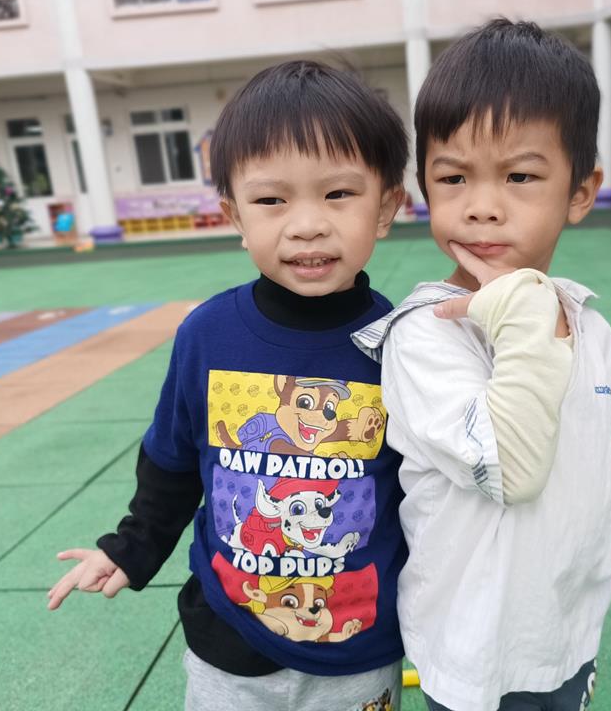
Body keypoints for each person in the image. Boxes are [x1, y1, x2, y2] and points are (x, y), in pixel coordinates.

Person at [47, 60, 410, 711]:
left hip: (357, 645)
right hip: (228, 646)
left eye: (338, 194)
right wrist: (131, 549)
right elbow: (171, 461)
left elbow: (427, 496)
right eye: (272, 200)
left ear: (386, 207)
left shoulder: (403, 344)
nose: (306, 224)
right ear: (234, 214)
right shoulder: (207, 335)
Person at [352, 19, 611, 711]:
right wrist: (525, 312)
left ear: (580, 191)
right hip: (475, 649)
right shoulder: (426, 333)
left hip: (565, 627)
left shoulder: (588, 325)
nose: (481, 208)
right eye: (453, 178)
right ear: (425, 187)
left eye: (521, 176)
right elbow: (513, 469)